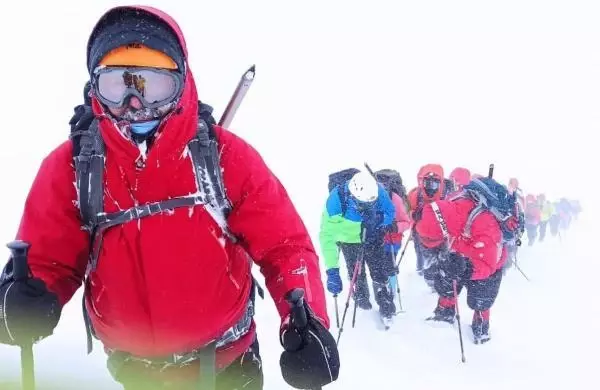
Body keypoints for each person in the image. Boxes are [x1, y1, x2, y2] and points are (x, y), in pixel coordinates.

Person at [0, 6, 339, 390]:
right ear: (94, 88)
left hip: (228, 367)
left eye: (152, 84)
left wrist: (306, 320)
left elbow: (284, 247)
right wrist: (27, 297)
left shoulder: (224, 157)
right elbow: (47, 260)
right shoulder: (74, 167)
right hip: (136, 374)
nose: (135, 103)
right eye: (118, 85)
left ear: (182, 81)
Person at [414, 177, 519, 344]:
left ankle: (481, 327)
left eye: (436, 242)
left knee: (481, 298)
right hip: (461, 250)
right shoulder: (446, 206)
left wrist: (467, 268)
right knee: (447, 278)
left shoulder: (484, 222)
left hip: (488, 262)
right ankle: (444, 313)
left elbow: (487, 265)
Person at [319, 171, 397, 324]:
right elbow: (327, 237)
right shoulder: (335, 202)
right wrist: (332, 270)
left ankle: (385, 302)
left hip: (372, 236)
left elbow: (390, 212)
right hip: (349, 242)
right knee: (356, 272)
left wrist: (379, 220)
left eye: (371, 203)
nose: (368, 206)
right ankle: (362, 303)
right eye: (363, 204)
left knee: (379, 270)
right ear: (353, 196)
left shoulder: (377, 191)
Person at [407, 164, 446, 280]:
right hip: (420, 232)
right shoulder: (415, 195)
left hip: (441, 233)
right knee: (420, 251)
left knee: (442, 255)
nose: (431, 187)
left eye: (435, 184)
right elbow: (406, 211)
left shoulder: (446, 195)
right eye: (427, 183)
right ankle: (422, 270)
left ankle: (440, 275)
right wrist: (413, 215)